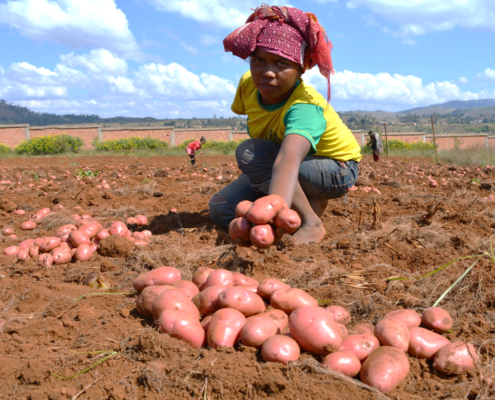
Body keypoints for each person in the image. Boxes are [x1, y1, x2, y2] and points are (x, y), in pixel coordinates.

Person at [208, 5, 362, 244]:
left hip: (335, 169)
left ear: (300, 69)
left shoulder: (305, 106)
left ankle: (311, 222)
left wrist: (273, 214)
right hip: (280, 161)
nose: (267, 72)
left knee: (251, 153)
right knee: (222, 208)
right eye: (258, 60)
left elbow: (288, 158)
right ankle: (302, 207)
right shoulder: (248, 84)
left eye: (281, 64)